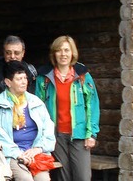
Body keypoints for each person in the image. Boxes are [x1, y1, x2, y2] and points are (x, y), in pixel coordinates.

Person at [34, 36, 100, 181]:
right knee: (63, 176)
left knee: (82, 176)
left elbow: (92, 105)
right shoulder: (44, 78)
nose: (63, 54)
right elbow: (37, 108)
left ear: (72, 53)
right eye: (59, 50)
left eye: (66, 50)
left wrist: (92, 133)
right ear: (54, 54)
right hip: (56, 136)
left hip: (79, 134)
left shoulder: (82, 76)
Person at [0, 61, 56, 181]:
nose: (24, 82)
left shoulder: (36, 102)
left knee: (43, 179)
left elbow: (48, 127)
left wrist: (38, 149)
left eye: (25, 78)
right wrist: (18, 154)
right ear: (8, 82)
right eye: (19, 79)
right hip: (12, 154)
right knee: (25, 178)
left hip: (36, 152)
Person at [0, 35, 37, 106]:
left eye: (16, 53)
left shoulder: (31, 72)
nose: (12, 56)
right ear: (3, 52)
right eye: (8, 53)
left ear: (23, 53)